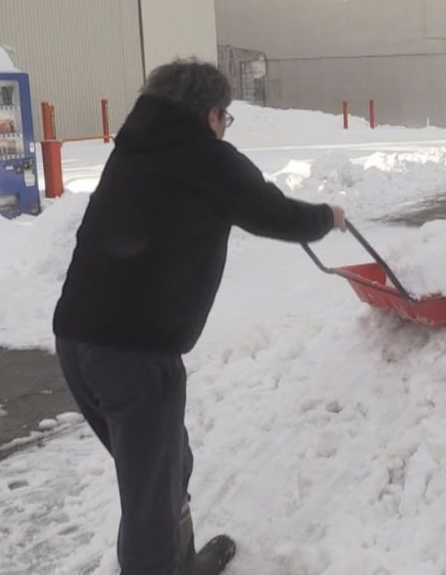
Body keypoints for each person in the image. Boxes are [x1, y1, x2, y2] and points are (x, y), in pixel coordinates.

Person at [53, 60, 345, 574]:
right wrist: (327, 217)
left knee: (166, 469)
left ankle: (177, 561)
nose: (224, 127)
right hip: (136, 356)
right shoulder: (207, 158)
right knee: (150, 496)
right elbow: (276, 215)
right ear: (211, 114)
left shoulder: (133, 149)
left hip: (77, 344)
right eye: (225, 117)